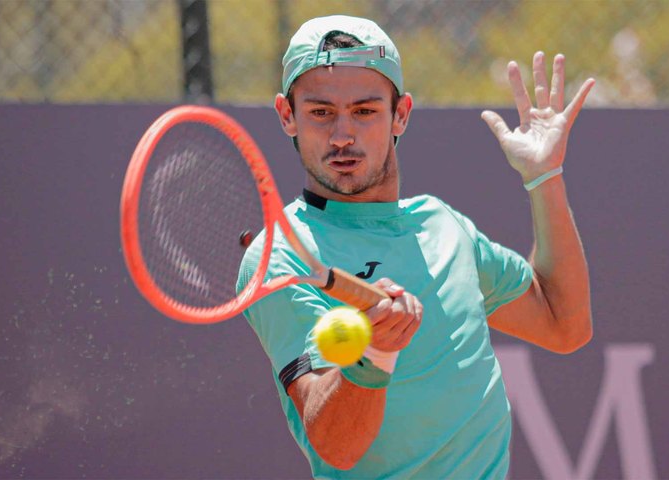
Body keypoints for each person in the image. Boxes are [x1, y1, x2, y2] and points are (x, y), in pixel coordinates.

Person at [237, 14, 593, 479]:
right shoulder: (280, 256)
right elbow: (335, 447)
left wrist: (545, 178)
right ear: (288, 115)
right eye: (321, 112)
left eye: (365, 111)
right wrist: (376, 354)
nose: (342, 134)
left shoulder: (444, 225)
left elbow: (564, 325)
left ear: (400, 113)